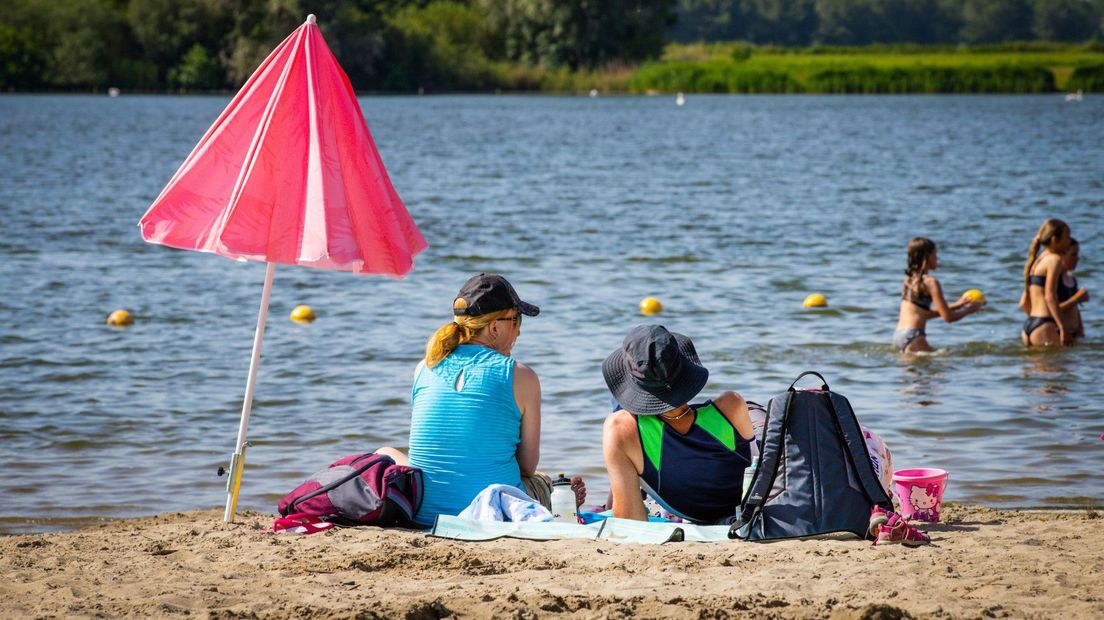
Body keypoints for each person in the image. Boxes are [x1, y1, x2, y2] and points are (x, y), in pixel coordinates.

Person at [377, 273, 583, 527]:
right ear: (494, 327)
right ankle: (557, 493)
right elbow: (527, 466)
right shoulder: (520, 375)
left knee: (385, 452)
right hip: (490, 513)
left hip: (425, 513)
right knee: (539, 478)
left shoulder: (425, 367)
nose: (518, 331)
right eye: (516, 321)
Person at [601, 325, 755, 524]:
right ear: (684, 369)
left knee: (617, 421)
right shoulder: (732, 405)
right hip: (744, 510)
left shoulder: (621, 428)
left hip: (692, 513)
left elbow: (631, 522)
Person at [892, 237, 985, 353]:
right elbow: (948, 318)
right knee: (945, 366)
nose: (937, 258)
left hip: (899, 335)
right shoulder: (931, 282)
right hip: (914, 336)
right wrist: (969, 310)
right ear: (927, 256)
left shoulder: (908, 280)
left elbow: (924, 314)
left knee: (921, 369)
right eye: (935, 254)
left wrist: (958, 304)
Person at [1020, 219, 1073, 347]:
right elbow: (1050, 296)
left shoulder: (1038, 259)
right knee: (1059, 366)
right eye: (1067, 237)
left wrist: (1036, 320)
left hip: (1029, 325)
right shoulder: (1054, 260)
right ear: (1055, 239)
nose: (1069, 242)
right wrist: (1062, 328)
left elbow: (1023, 303)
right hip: (1045, 324)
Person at [1058, 238, 1088, 341]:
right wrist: (1077, 298)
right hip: (1059, 333)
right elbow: (1051, 309)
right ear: (1061, 256)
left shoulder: (1071, 279)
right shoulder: (1056, 280)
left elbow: (1075, 309)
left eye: (1077, 255)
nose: (1077, 259)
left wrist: (1081, 329)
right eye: (1073, 255)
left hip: (1073, 334)